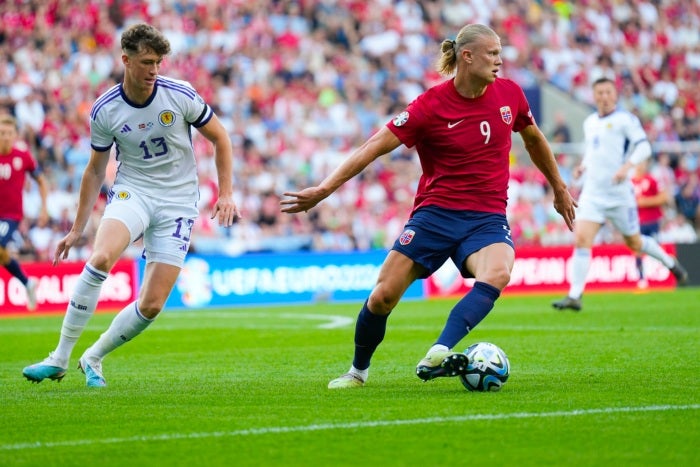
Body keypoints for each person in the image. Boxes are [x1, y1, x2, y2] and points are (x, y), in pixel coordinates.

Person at [281, 24, 576, 389]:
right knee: (382, 296)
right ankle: (358, 372)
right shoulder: (430, 106)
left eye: (500, 53)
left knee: (498, 274)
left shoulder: (510, 94)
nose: (500, 61)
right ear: (467, 56)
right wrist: (325, 189)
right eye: (492, 53)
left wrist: (559, 188)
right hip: (435, 214)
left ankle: (439, 351)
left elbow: (534, 139)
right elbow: (373, 146)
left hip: (486, 216)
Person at [22, 23, 238, 387]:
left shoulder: (179, 94)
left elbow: (221, 138)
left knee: (152, 304)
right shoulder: (105, 110)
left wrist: (227, 192)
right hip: (133, 190)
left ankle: (93, 356)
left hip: (179, 201)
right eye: (147, 62)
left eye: (158, 62)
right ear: (126, 60)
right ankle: (59, 357)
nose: (154, 70)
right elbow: (93, 171)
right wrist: (77, 229)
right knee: (101, 258)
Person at [552, 77, 688, 312]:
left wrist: (627, 167)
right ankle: (575, 295)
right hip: (593, 193)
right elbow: (593, 152)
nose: (603, 96)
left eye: (607, 92)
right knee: (582, 238)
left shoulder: (625, 120)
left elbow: (644, 146)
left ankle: (669, 262)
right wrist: (583, 166)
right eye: (599, 92)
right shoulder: (591, 122)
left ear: (614, 95)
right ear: (594, 96)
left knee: (633, 241)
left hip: (619, 195)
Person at [0, 114, 48, 311]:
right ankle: (27, 283)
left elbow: (41, 180)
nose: (5, 137)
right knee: (2, 254)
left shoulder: (22, 156)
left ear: (15, 135)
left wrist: (44, 208)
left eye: (9, 133)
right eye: (2, 133)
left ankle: (26, 283)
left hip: (10, 215)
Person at [631, 158, 669, 289]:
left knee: (656, 249)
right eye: (638, 162)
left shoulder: (652, 180)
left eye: (643, 163)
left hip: (652, 221)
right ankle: (641, 279)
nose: (640, 165)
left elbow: (664, 197)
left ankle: (668, 272)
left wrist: (645, 201)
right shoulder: (629, 182)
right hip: (636, 222)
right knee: (637, 250)